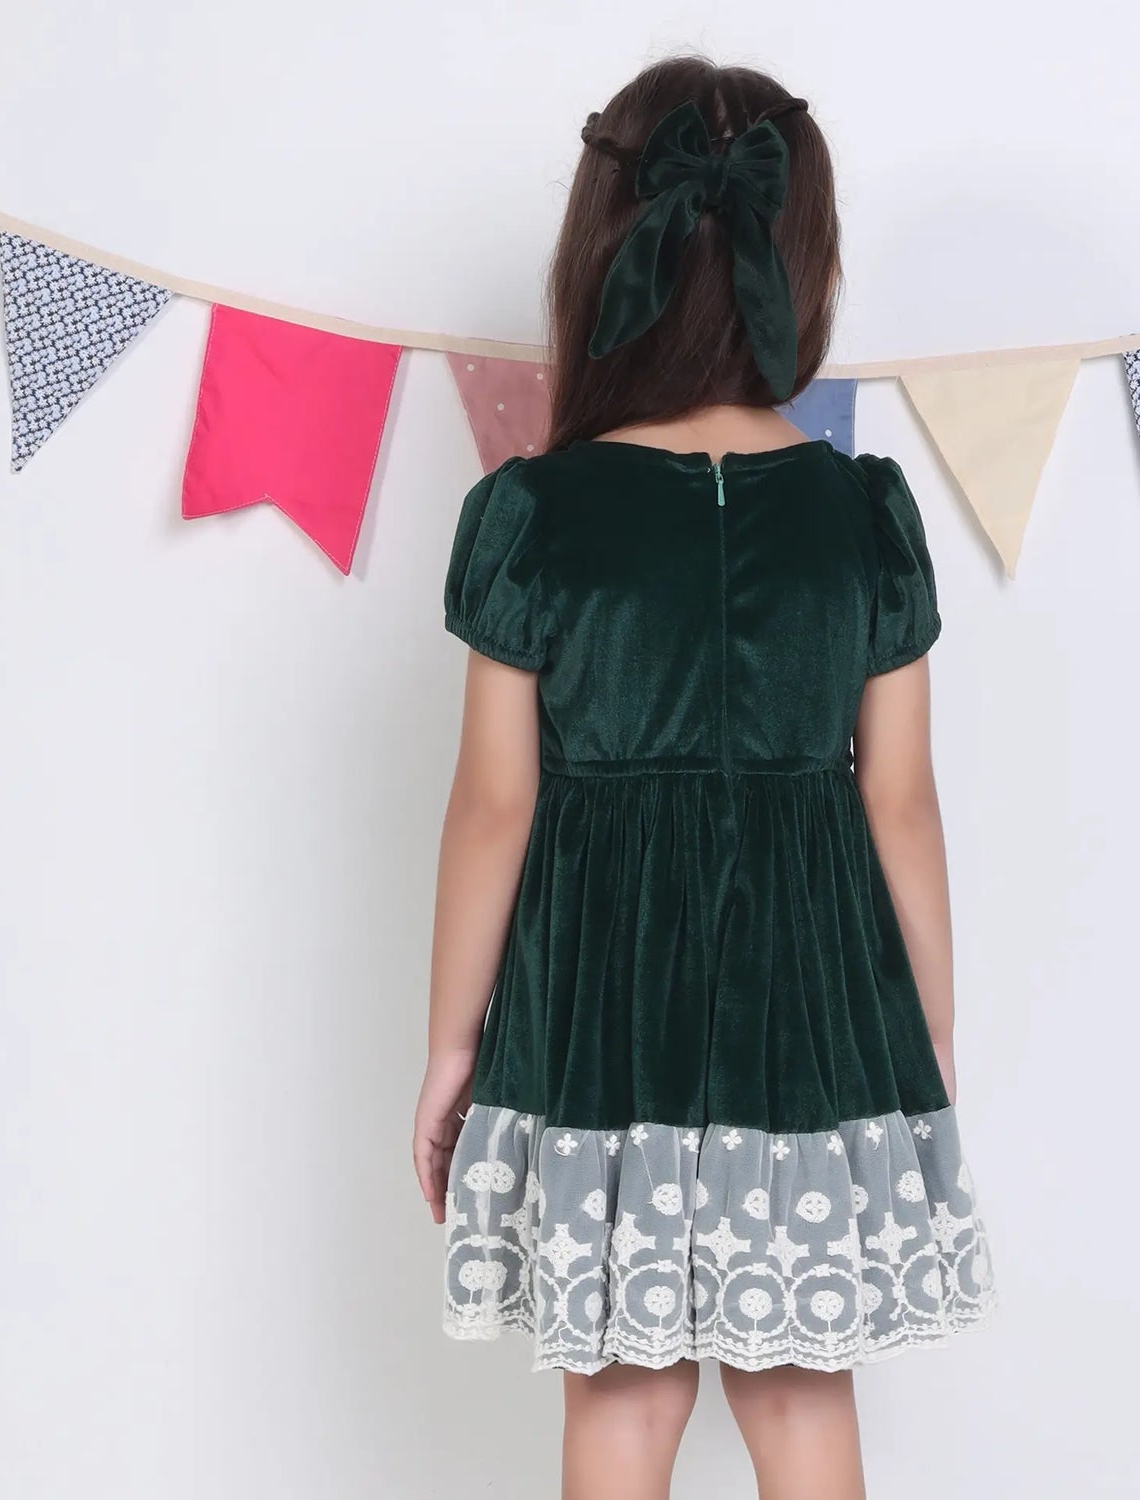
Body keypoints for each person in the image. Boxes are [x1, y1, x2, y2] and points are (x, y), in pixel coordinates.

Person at [412, 53, 995, 1500]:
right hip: (813, 1013)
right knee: (803, 1402)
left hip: (602, 1008)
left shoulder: (533, 514)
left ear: (604, 253)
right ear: (805, 261)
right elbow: (900, 802)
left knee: (622, 1403)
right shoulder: (863, 514)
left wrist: (447, 1049)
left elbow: (496, 805)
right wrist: (922, 1034)